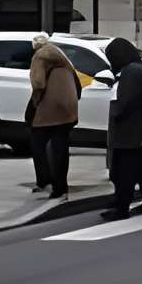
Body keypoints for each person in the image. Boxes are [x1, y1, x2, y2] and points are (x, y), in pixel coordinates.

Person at [99, 37, 142, 220]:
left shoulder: (130, 72)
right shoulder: (140, 68)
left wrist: (115, 111)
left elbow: (126, 102)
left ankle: (122, 208)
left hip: (130, 131)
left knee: (124, 172)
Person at [24, 33, 81, 199]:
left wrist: (35, 102)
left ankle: (44, 180)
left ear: (35, 47)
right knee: (61, 148)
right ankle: (61, 186)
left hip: (49, 108)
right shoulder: (62, 56)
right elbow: (77, 83)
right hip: (68, 108)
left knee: (37, 144)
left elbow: (39, 83)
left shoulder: (40, 56)